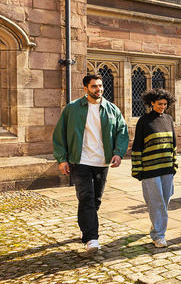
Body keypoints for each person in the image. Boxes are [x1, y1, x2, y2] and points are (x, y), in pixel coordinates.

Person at [52, 74, 129, 255]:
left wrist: (118, 153)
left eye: (100, 86)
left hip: (102, 162)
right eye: (94, 86)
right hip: (80, 161)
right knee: (86, 197)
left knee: (95, 199)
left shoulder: (112, 109)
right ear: (85, 88)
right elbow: (59, 134)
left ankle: (86, 227)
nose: (99, 89)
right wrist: (61, 159)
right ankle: (92, 238)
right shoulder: (72, 108)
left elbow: (122, 132)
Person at [131, 88, 178, 248]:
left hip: (166, 169)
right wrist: (138, 170)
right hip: (150, 170)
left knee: (165, 200)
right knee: (156, 202)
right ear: (151, 103)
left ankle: (156, 226)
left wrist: (174, 165)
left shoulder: (169, 119)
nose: (162, 107)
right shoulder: (144, 121)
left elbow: (174, 145)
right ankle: (159, 235)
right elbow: (137, 147)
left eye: (165, 104)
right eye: (159, 104)